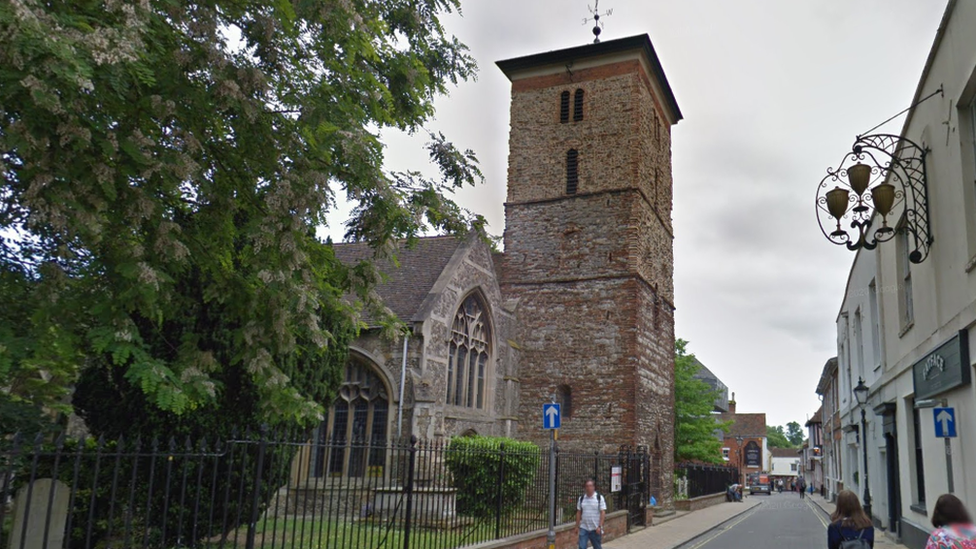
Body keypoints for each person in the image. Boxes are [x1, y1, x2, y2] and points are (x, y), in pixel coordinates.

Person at [576, 478, 607, 549]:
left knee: (597, 547)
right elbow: (578, 512)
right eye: (587, 486)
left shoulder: (599, 498)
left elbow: (602, 512)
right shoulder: (582, 498)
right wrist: (577, 526)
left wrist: (600, 526)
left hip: (595, 528)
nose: (588, 488)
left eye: (590, 486)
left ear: (593, 487)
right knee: (581, 547)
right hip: (584, 527)